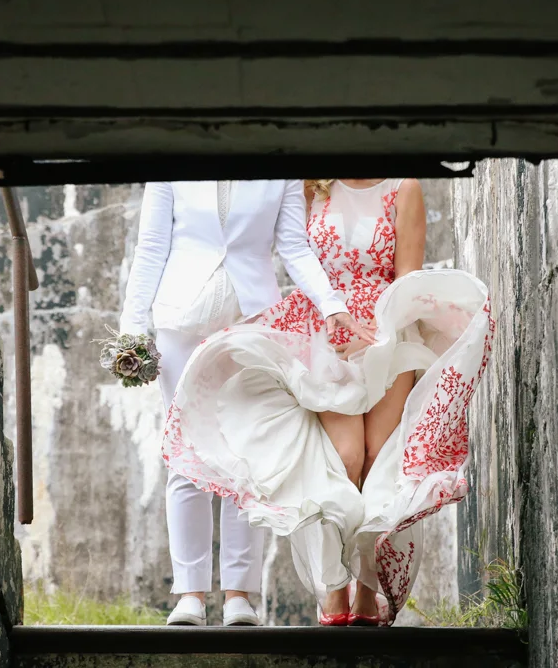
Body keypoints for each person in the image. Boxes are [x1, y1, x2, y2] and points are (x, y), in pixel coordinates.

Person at [162, 178, 494, 625]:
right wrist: (332, 319)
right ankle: (333, 587)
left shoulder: (404, 188)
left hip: (388, 339)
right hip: (324, 336)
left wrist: (377, 334)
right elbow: (296, 257)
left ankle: (367, 593)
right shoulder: (310, 188)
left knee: (378, 461)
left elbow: (408, 284)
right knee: (344, 458)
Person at [119, 179, 373, 627]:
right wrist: (132, 329)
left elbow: (294, 247)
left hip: (253, 320)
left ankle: (239, 596)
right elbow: (152, 247)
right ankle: (190, 594)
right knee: (186, 458)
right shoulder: (170, 165)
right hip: (180, 320)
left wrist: (331, 305)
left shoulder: (280, 172)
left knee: (247, 458)